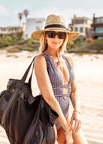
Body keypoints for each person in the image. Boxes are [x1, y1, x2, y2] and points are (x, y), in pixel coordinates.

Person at [31, 14, 88, 144]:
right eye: (52, 34)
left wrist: (77, 111)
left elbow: (73, 90)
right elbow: (49, 96)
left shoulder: (69, 60)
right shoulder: (41, 60)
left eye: (60, 35)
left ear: (65, 38)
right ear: (45, 36)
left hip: (66, 116)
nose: (56, 38)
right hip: (47, 119)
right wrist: (67, 129)